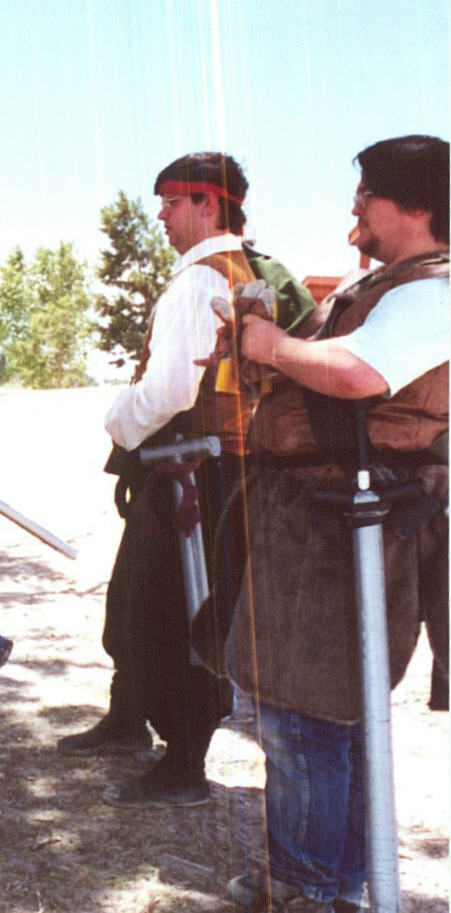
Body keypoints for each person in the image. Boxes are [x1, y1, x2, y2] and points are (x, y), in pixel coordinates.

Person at [224, 135, 448, 913]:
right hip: (320, 521)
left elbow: (359, 373)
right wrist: (266, 346)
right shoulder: (386, 284)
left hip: (350, 524)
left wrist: (272, 343)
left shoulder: (433, 289)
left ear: (415, 204)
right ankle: (327, 880)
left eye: (367, 192)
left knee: (307, 714)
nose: (354, 207)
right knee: (317, 710)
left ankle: (309, 886)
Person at [62, 152, 257, 809]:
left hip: (193, 476)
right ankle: (128, 721)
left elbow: (172, 389)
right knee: (135, 601)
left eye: (171, 203)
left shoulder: (201, 280)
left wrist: (118, 421)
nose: (162, 217)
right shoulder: (243, 271)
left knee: (168, 615)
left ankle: (182, 765)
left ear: (207, 203)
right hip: (200, 471)